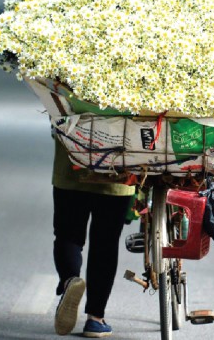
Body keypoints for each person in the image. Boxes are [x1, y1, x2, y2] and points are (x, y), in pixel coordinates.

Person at [51, 135, 135, 338]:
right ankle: (95, 319)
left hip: (72, 170)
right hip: (118, 174)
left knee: (68, 235)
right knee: (105, 245)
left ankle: (70, 280)